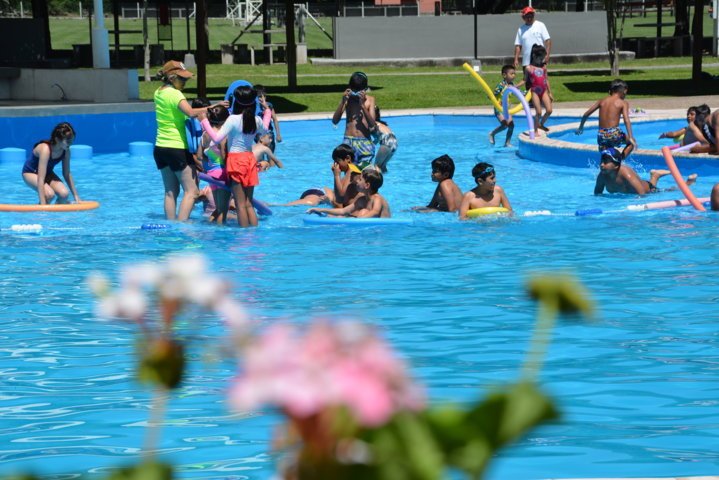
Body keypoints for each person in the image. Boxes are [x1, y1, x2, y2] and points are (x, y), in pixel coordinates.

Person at [153, 60, 218, 221]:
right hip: (177, 147)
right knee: (192, 191)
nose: (185, 82)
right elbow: (190, 112)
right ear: (172, 77)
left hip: (160, 147)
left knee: (170, 192)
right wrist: (212, 107)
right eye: (182, 78)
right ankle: (182, 226)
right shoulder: (175, 94)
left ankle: (171, 225)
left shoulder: (158, 92)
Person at [199, 85, 271, 228]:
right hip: (249, 159)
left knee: (240, 204)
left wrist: (204, 121)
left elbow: (217, 138)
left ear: (236, 102)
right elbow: (266, 128)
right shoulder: (256, 120)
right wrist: (267, 110)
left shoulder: (232, 119)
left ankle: (243, 235)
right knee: (249, 203)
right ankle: (254, 234)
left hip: (236, 161)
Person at [594, 147, 697, 195]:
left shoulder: (626, 174)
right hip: (639, 189)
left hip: (648, 189)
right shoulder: (603, 175)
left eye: (606, 162)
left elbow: (642, 193)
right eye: (601, 161)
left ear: (616, 165)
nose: (602, 164)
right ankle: (655, 175)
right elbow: (597, 194)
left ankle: (687, 183)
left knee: (667, 191)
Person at [575, 79, 637, 158]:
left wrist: (581, 127)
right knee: (631, 143)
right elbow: (626, 120)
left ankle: (607, 162)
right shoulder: (623, 103)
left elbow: (586, 114)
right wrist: (630, 137)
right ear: (624, 91)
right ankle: (619, 160)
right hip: (614, 134)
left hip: (601, 134)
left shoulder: (602, 101)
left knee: (605, 156)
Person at [22, 122, 81, 205]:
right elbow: (41, 178)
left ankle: (55, 212)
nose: (70, 144)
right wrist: (43, 205)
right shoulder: (45, 149)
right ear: (57, 139)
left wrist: (76, 196)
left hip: (47, 173)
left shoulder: (66, 151)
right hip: (30, 173)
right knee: (49, 194)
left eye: (71, 141)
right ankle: (40, 211)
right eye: (68, 141)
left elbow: (67, 174)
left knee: (64, 194)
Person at [332, 72, 377, 170]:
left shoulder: (370, 100)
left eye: (358, 91)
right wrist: (343, 101)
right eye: (354, 90)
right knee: (350, 173)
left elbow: (372, 124)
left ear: (365, 89)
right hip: (348, 142)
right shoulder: (347, 99)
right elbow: (335, 120)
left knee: (365, 174)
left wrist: (362, 105)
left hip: (364, 142)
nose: (356, 94)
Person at [308, 169, 390, 218]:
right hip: (370, 228)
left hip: (382, 232)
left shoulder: (377, 198)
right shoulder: (362, 200)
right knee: (336, 216)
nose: (357, 181)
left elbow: (375, 212)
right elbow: (343, 211)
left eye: (360, 179)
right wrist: (321, 210)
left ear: (367, 185)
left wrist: (357, 221)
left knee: (363, 211)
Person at [200, 104, 230, 223]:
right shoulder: (223, 135)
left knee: (218, 208)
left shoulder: (204, 135)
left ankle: (209, 225)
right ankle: (220, 232)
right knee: (223, 210)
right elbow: (224, 157)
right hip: (222, 173)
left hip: (211, 174)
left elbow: (200, 156)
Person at [489, 65, 522, 146]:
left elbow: (519, 92)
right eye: (511, 74)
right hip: (499, 109)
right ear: (504, 75)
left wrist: (527, 94)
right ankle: (492, 133)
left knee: (511, 125)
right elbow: (493, 94)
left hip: (507, 109)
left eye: (514, 73)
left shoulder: (512, 85)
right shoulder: (501, 85)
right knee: (504, 125)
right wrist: (491, 96)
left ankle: (507, 143)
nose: (514, 75)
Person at [525, 46, 553, 134]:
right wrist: (515, 86)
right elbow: (524, 80)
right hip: (535, 92)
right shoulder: (529, 68)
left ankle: (541, 124)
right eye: (541, 57)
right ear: (534, 56)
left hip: (544, 91)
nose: (543, 59)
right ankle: (535, 130)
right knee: (539, 112)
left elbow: (546, 79)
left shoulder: (544, 67)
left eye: (543, 57)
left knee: (549, 110)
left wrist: (550, 92)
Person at [254, 84, 282, 152]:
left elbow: (275, 119)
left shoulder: (269, 105)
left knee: (270, 153)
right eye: (260, 96)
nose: (263, 98)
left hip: (269, 132)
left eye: (264, 96)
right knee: (260, 153)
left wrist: (278, 134)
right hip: (258, 134)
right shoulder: (253, 107)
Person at [371, 107, 398, 172]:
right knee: (383, 166)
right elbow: (378, 138)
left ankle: (378, 178)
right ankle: (386, 177)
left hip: (386, 141)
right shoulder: (382, 123)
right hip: (394, 142)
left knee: (376, 165)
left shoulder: (372, 124)